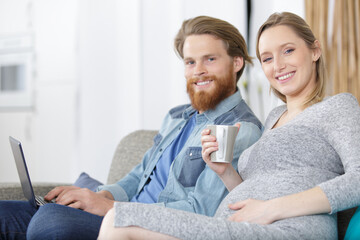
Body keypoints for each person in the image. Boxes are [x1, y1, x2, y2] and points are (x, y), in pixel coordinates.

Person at [97, 12, 360, 240]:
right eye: (267, 58)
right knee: (118, 219)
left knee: (117, 220)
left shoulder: (337, 107)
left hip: (289, 229)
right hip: (242, 226)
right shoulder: (274, 118)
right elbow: (255, 189)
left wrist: (273, 209)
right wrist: (224, 171)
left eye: (288, 50)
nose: (278, 65)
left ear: (314, 50)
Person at [0, 16, 263, 240]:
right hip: (120, 210)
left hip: (140, 226)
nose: (198, 71)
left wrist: (109, 207)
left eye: (210, 59)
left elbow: (201, 210)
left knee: (50, 222)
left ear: (236, 62)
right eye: (190, 62)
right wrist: (99, 195)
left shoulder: (238, 129)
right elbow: (138, 176)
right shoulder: (176, 118)